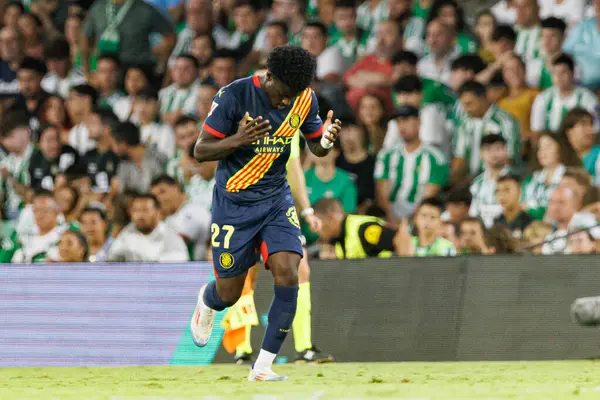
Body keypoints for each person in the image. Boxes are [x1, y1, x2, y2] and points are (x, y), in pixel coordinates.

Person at [190, 45, 342, 381]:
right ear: (268, 76)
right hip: (235, 204)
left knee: (290, 270)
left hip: (275, 199)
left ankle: (262, 367)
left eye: (293, 96)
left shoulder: (304, 99)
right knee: (228, 293)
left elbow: (315, 144)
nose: (285, 103)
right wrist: (238, 139)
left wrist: (327, 142)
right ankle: (206, 300)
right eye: (282, 95)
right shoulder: (234, 96)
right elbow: (200, 150)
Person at [375, 106, 449, 223]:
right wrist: (391, 219)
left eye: (405, 120)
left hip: (420, 217)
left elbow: (429, 196)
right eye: (398, 121)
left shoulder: (435, 157)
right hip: (390, 215)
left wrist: (410, 222)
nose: (401, 125)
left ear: (418, 121)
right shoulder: (385, 155)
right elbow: (381, 193)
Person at [80, 0, 176, 73]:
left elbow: (170, 36)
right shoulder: (98, 8)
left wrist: (161, 64)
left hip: (137, 70)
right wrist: (87, 71)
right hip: (106, 72)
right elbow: (85, 37)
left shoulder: (144, 9)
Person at [453, 80, 520, 181]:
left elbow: (509, 158)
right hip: (470, 180)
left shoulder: (505, 122)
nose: (467, 110)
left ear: (483, 98)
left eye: (469, 104)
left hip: (500, 179)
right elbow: (460, 157)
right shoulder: (465, 122)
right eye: (464, 105)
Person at [107, 193, 189, 262]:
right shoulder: (128, 232)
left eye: (145, 210)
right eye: (136, 210)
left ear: (157, 212)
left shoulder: (171, 237)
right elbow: (111, 260)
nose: (140, 216)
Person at [530, 54, 598, 135]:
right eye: (555, 73)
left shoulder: (588, 98)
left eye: (563, 72)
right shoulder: (543, 98)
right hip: (552, 145)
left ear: (573, 73)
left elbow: (595, 129)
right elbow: (537, 130)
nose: (559, 77)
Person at [151, 175, 211, 261]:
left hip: (197, 268)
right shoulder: (170, 218)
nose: (160, 199)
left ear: (176, 186)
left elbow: (176, 245)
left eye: (162, 192)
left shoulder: (194, 210)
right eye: (155, 196)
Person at [522, 131, 581, 219]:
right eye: (540, 148)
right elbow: (521, 206)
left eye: (548, 146)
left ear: (560, 148)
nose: (543, 152)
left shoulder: (570, 178)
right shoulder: (530, 180)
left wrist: (535, 211)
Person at [313, 197, 397, 259]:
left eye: (316, 224)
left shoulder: (364, 229)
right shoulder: (339, 241)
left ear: (330, 218)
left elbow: (401, 241)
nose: (315, 230)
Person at [468, 134, 513, 228]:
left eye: (498, 148)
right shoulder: (477, 183)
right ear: (481, 154)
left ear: (506, 151)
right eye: (488, 149)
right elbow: (473, 213)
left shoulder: (515, 180)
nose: (494, 153)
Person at [497, 54, 540, 149]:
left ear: (524, 69)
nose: (514, 72)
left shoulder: (537, 95)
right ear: (503, 74)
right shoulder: (500, 102)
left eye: (518, 67)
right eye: (509, 69)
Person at [112, 121, 166, 194]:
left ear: (123, 144)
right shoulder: (123, 165)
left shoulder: (156, 156)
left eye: (114, 144)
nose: (112, 149)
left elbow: (164, 187)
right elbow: (122, 193)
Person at [336, 123, 377, 214]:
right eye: (343, 130)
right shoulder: (334, 160)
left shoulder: (375, 162)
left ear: (362, 132)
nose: (347, 135)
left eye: (351, 129)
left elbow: (375, 197)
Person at [0, 112, 34, 221]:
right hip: (9, 213)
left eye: (10, 136)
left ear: (26, 132)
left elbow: (34, 195)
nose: (4, 141)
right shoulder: (6, 162)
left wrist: (9, 178)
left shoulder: (38, 156)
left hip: (31, 214)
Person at [28, 124, 79, 191]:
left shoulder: (70, 153)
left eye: (57, 139)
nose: (55, 144)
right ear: (39, 143)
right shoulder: (34, 160)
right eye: (49, 140)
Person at [562, 0, 600, 89]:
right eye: (596, 1)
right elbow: (565, 55)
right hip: (583, 88)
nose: (598, 4)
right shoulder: (583, 26)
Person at [9, 56, 50, 133]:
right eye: (21, 79)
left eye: (30, 79)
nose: (25, 85)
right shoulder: (14, 107)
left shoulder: (52, 103)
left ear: (40, 78)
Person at [526, 17, 567, 91]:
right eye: (544, 36)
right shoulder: (534, 65)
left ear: (563, 37)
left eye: (552, 36)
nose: (547, 41)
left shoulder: (572, 65)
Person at [134, 86, 176, 159]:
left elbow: (165, 157)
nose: (142, 107)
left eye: (147, 102)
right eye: (139, 102)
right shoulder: (132, 129)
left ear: (157, 105)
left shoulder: (165, 130)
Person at [561, 108, 600, 185]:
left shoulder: (598, 154)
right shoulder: (561, 157)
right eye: (584, 125)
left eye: (591, 125)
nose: (590, 130)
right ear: (569, 131)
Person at [159, 54, 201, 125]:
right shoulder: (163, 92)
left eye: (186, 68)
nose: (180, 72)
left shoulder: (201, 91)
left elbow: (186, 115)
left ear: (197, 71)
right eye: (177, 68)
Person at [417, 18, 459, 86]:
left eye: (438, 34)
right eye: (429, 35)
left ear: (451, 37)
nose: (432, 40)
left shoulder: (461, 63)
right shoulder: (421, 65)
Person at [494, 174, 534, 239]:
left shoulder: (530, 222)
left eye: (507, 190)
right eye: (498, 191)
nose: (501, 195)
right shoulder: (497, 221)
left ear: (519, 192)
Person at [67, 84, 99, 155]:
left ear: (86, 100)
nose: (66, 103)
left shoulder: (101, 123)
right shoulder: (74, 131)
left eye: (71, 99)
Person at [0, 26, 24, 100]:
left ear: (22, 42)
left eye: (11, 40)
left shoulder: (36, 67)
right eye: (2, 41)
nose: (6, 45)